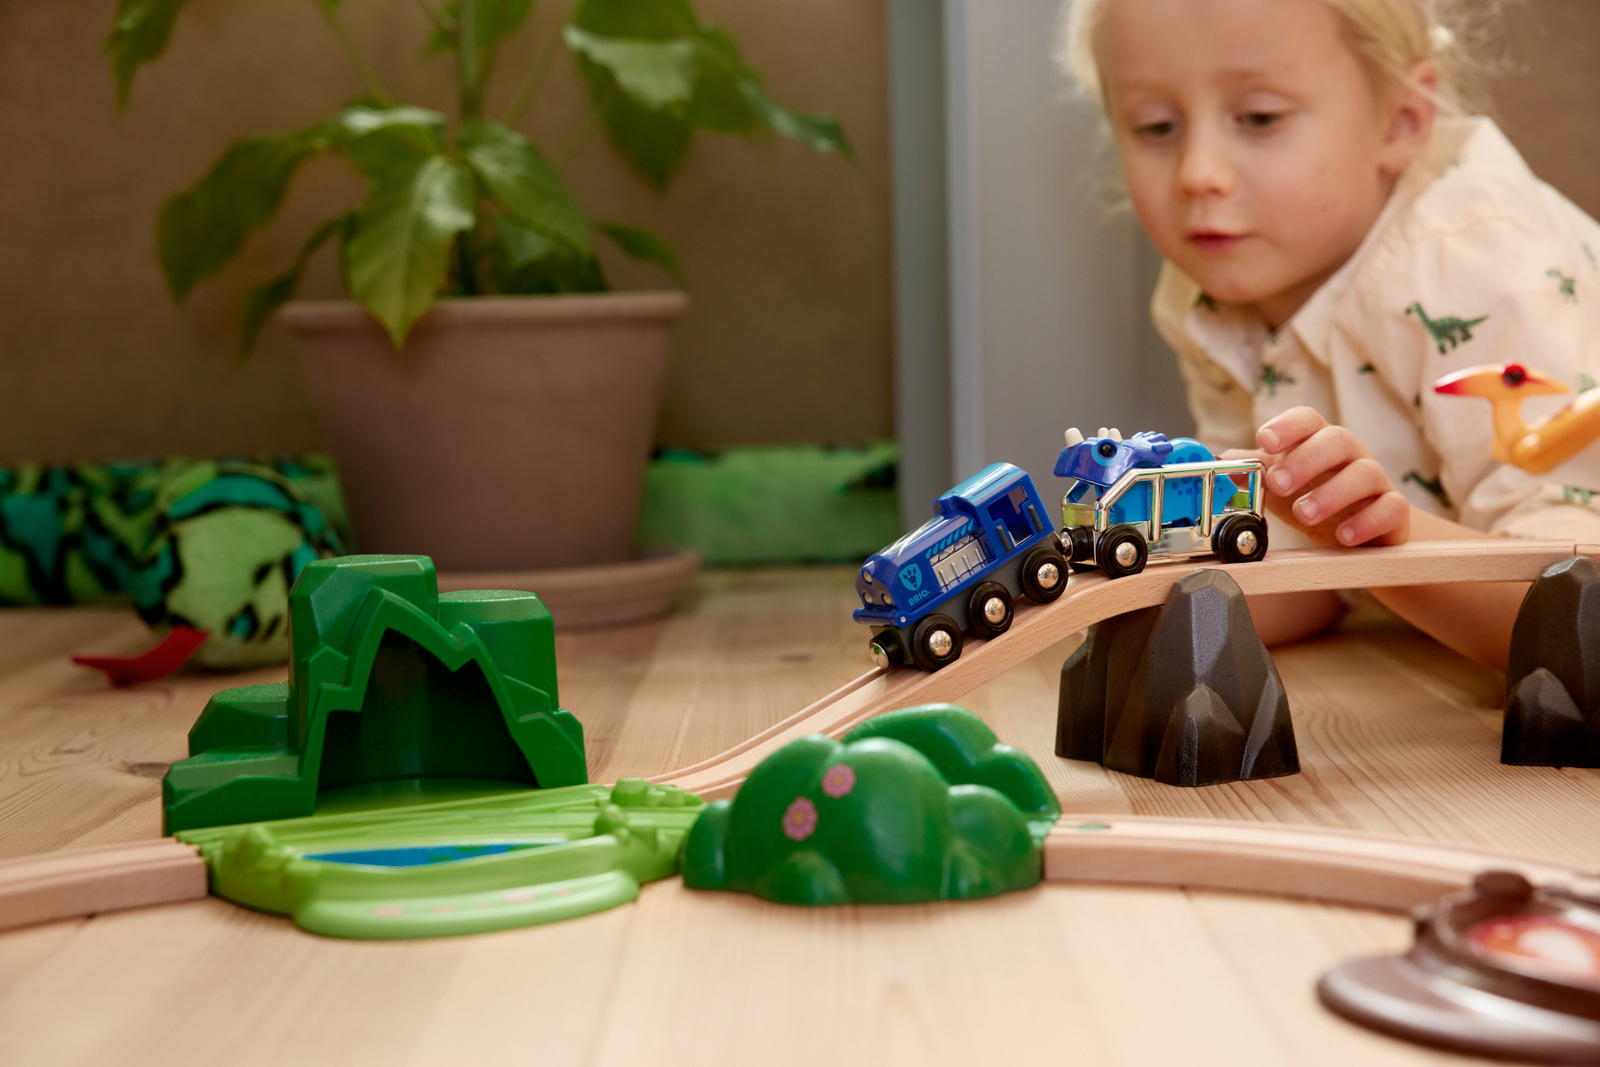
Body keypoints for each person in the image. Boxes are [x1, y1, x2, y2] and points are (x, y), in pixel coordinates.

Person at [1057, 0, 1600, 669]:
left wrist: (1374, 539)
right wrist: (1139, 603)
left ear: (1400, 120)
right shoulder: (1205, 291)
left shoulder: (1480, 266)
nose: (1198, 173)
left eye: (1260, 117)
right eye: (1156, 126)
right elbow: (1303, 571)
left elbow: (1574, 620)